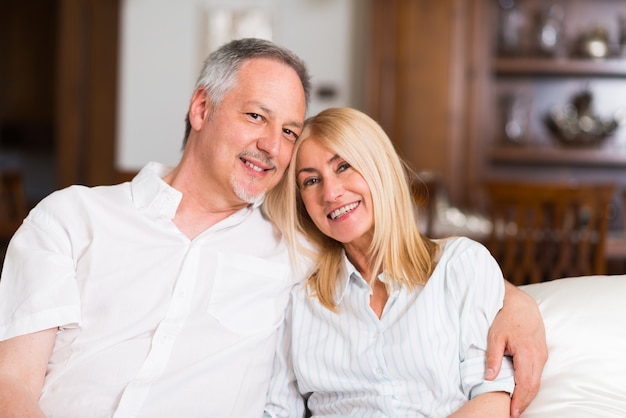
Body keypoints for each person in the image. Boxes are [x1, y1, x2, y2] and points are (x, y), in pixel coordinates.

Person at [0, 39, 544, 417]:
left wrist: (517, 303)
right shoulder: (70, 218)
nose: (273, 146)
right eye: (256, 117)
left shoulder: (291, 248)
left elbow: (412, 265)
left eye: (288, 130)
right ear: (200, 108)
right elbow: (13, 382)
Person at [262, 107, 536, 417]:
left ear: (379, 168)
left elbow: (493, 400)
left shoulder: (460, 266)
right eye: (311, 181)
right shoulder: (300, 302)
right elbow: (278, 410)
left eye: (344, 166)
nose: (331, 192)